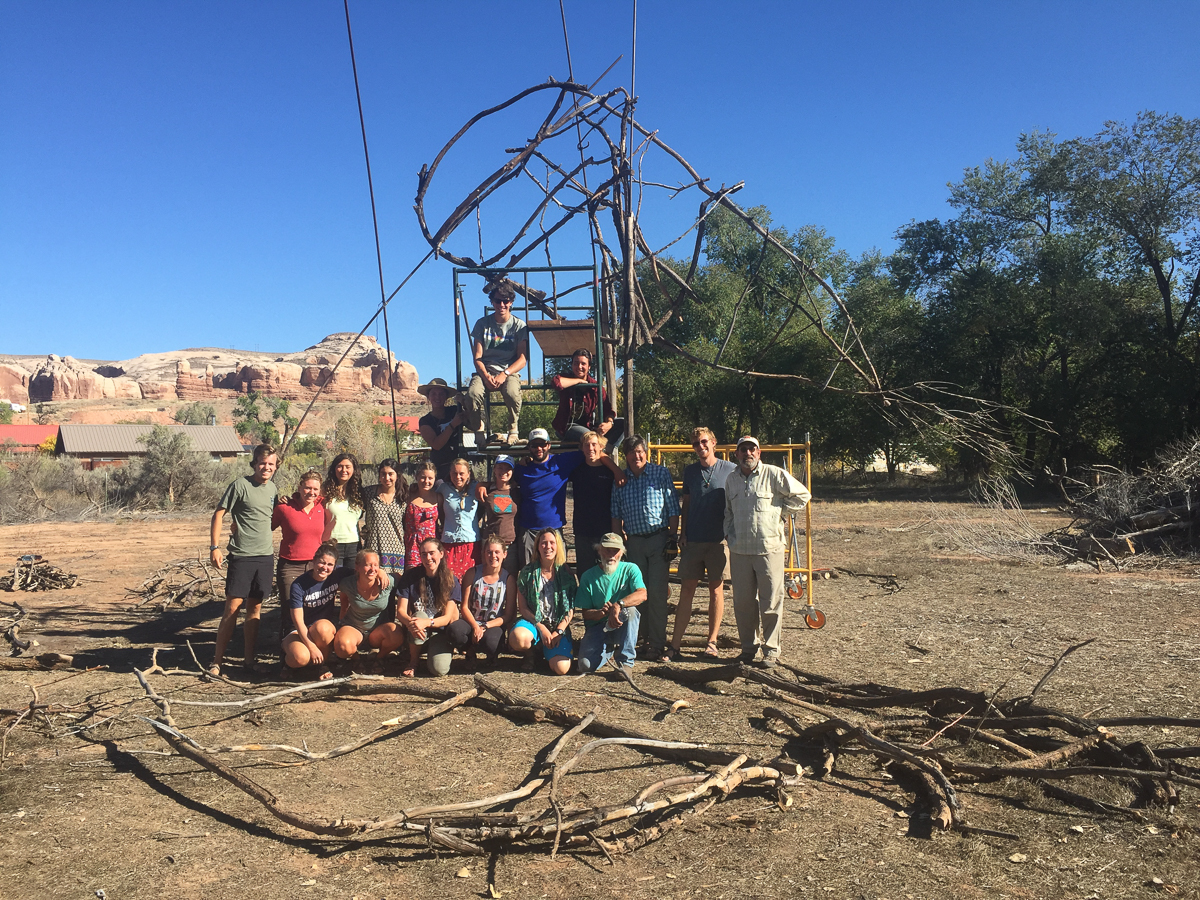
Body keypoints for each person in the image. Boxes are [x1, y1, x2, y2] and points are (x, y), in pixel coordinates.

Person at [723, 435, 811, 668]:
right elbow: (728, 511)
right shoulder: (731, 479)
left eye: (752, 450)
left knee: (770, 601)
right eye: (743, 450)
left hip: (769, 548)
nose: (747, 454)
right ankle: (748, 648)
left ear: (759, 453)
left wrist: (781, 514)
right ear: (737, 454)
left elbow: (803, 495)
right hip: (740, 550)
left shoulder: (773, 474)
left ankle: (771, 650)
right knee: (743, 602)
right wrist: (728, 533)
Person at [610, 434, 681, 663]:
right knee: (637, 595)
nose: (636, 456)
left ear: (646, 452)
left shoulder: (660, 473)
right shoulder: (621, 479)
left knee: (658, 594)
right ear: (626, 456)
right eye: (631, 453)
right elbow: (615, 514)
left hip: (659, 538)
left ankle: (657, 643)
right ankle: (639, 640)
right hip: (634, 542)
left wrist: (672, 537)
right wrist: (619, 543)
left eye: (640, 451)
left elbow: (672, 507)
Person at [209, 443, 279, 676]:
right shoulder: (240, 485)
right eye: (262, 463)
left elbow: (269, 518)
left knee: (255, 608)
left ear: (275, 466)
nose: (266, 467)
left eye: (271, 464)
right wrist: (214, 547)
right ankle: (217, 661)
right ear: (254, 463)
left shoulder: (273, 490)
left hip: (265, 556)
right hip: (242, 556)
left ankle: (249, 660)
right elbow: (219, 513)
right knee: (232, 608)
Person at [669, 427, 737, 660]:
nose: (701, 446)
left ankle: (712, 642)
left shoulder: (730, 469)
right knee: (686, 590)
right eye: (696, 443)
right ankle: (675, 645)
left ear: (714, 442)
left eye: (704, 441)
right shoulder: (690, 472)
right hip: (693, 540)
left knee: (716, 590)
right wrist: (683, 532)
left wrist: (732, 532)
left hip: (719, 540)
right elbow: (686, 503)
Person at [512, 427, 624, 568]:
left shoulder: (562, 462)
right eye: (534, 445)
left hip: (555, 528)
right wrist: (483, 485)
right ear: (529, 447)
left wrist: (616, 470)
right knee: (528, 572)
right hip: (529, 530)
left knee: (559, 572)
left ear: (549, 445)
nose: (539, 448)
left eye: (542, 444)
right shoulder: (521, 469)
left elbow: (596, 453)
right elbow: (504, 481)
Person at [391, 538, 472, 676]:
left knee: (439, 670)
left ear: (441, 553)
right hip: (416, 629)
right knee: (418, 616)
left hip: (439, 631)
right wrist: (412, 623)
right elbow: (400, 611)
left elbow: (447, 618)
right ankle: (413, 661)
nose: (428, 558)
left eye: (431, 553)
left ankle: (437, 650)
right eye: (423, 554)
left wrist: (427, 623)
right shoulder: (411, 576)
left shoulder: (451, 580)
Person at [271, 470, 334, 643]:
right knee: (290, 609)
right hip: (290, 566)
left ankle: (315, 648)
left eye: (315, 489)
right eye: (307, 488)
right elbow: (266, 526)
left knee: (314, 608)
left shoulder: (322, 506)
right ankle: (287, 657)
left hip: (316, 565)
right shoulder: (284, 508)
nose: (311, 493)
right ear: (299, 487)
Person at [465, 281, 529, 446]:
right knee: (472, 395)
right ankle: (478, 428)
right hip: (485, 370)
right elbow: (477, 357)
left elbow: (522, 359)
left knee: (513, 393)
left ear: (511, 302)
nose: (502, 304)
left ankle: (513, 429)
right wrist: (486, 376)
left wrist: (505, 374)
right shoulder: (482, 324)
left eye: (506, 300)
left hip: (509, 371)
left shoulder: (519, 326)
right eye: (498, 301)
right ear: (492, 302)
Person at [574, 533, 646, 676]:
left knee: (631, 611)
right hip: (598, 627)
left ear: (622, 552)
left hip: (623, 622)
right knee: (584, 666)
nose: (611, 554)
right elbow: (586, 613)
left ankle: (626, 662)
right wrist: (602, 613)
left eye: (616, 550)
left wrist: (618, 605)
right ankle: (608, 651)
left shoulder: (631, 569)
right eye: (607, 550)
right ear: (599, 550)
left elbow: (642, 594)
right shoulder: (588, 576)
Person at [509, 528, 576, 675]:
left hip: (558, 625)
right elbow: (524, 608)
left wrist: (559, 630)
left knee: (561, 669)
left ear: (558, 546)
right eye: (543, 543)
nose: (548, 547)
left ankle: (547, 650)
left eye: (552, 543)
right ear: (537, 547)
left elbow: (571, 609)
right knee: (519, 639)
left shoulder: (566, 574)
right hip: (533, 622)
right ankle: (531, 653)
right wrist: (541, 627)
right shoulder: (527, 573)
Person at [281, 542, 349, 678]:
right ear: (313, 561)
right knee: (300, 658)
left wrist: (381, 572)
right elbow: (298, 621)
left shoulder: (337, 574)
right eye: (321, 563)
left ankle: (321, 665)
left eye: (330, 565)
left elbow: (362, 571)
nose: (325, 568)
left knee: (323, 628)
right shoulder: (299, 585)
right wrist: (311, 647)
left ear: (335, 566)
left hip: (320, 629)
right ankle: (289, 664)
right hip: (297, 630)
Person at [460, 534, 515, 671]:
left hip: (492, 624)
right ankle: (470, 654)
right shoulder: (472, 573)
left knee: (492, 642)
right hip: (471, 621)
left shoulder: (508, 579)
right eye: (489, 552)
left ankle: (491, 657)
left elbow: (508, 615)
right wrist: (475, 626)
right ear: (484, 554)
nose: (493, 556)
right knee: (456, 631)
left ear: (504, 554)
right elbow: (464, 607)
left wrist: (484, 627)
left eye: (497, 552)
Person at [332, 550, 395, 666]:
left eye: (375, 565)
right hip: (354, 627)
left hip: (378, 631)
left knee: (396, 634)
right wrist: (341, 622)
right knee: (342, 647)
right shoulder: (347, 584)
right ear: (357, 567)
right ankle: (357, 659)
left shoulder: (387, 582)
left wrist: (382, 572)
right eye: (367, 565)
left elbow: (405, 581)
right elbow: (344, 602)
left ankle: (378, 658)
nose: (372, 569)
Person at [551, 348, 622, 451]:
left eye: (583, 364)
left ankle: (606, 450)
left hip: (588, 427)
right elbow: (556, 383)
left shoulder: (595, 386)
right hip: (567, 427)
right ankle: (601, 451)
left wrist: (609, 423)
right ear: (572, 365)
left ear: (589, 367)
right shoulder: (567, 378)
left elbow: (607, 409)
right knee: (590, 436)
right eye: (576, 363)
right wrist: (578, 381)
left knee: (623, 423)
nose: (579, 367)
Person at [569, 431, 615, 576]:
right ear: (582, 448)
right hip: (583, 531)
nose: (590, 448)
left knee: (607, 572)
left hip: (606, 531)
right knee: (585, 574)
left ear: (601, 447)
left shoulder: (610, 471)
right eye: (586, 445)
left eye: (594, 444)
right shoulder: (576, 470)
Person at [361, 458, 407, 579]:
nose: (387, 478)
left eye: (390, 474)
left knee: (393, 590)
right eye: (383, 474)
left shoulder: (403, 496)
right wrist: (362, 531)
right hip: (373, 549)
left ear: (397, 475)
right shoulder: (368, 493)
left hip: (397, 551)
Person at [437, 458, 480, 581]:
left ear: (468, 474)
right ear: (450, 474)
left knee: (470, 580)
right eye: (454, 473)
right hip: (449, 543)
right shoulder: (443, 489)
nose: (458, 477)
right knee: (449, 580)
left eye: (461, 473)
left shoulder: (476, 487)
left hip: (471, 542)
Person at [417, 378, 465, 481]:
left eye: (441, 394)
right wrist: (453, 425)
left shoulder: (454, 410)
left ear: (446, 397)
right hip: (441, 467)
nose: (437, 397)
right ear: (428, 397)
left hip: (460, 463)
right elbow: (436, 444)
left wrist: (464, 402)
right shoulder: (425, 421)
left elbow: (470, 417)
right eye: (434, 394)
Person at [478, 453, 519, 574]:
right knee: (489, 577)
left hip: (510, 545)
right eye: (500, 467)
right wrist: (481, 485)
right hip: (490, 544)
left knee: (510, 579)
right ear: (494, 469)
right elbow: (477, 515)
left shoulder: (517, 491)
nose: (504, 471)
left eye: (508, 468)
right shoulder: (486, 491)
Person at [322, 453, 364, 569]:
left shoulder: (359, 493)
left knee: (351, 582)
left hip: (354, 545)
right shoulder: (324, 491)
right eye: (340, 466)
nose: (343, 470)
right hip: (332, 544)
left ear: (354, 470)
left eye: (348, 467)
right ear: (334, 469)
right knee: (333, 582)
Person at [403, 460, 442, 570]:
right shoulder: (408, 496)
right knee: (412, 577)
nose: (426, 481)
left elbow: (443, 521)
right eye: (423, 477)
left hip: (432, 545)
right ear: (416, 477)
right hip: (412, 545)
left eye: (430, 478)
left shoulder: (438, 498)